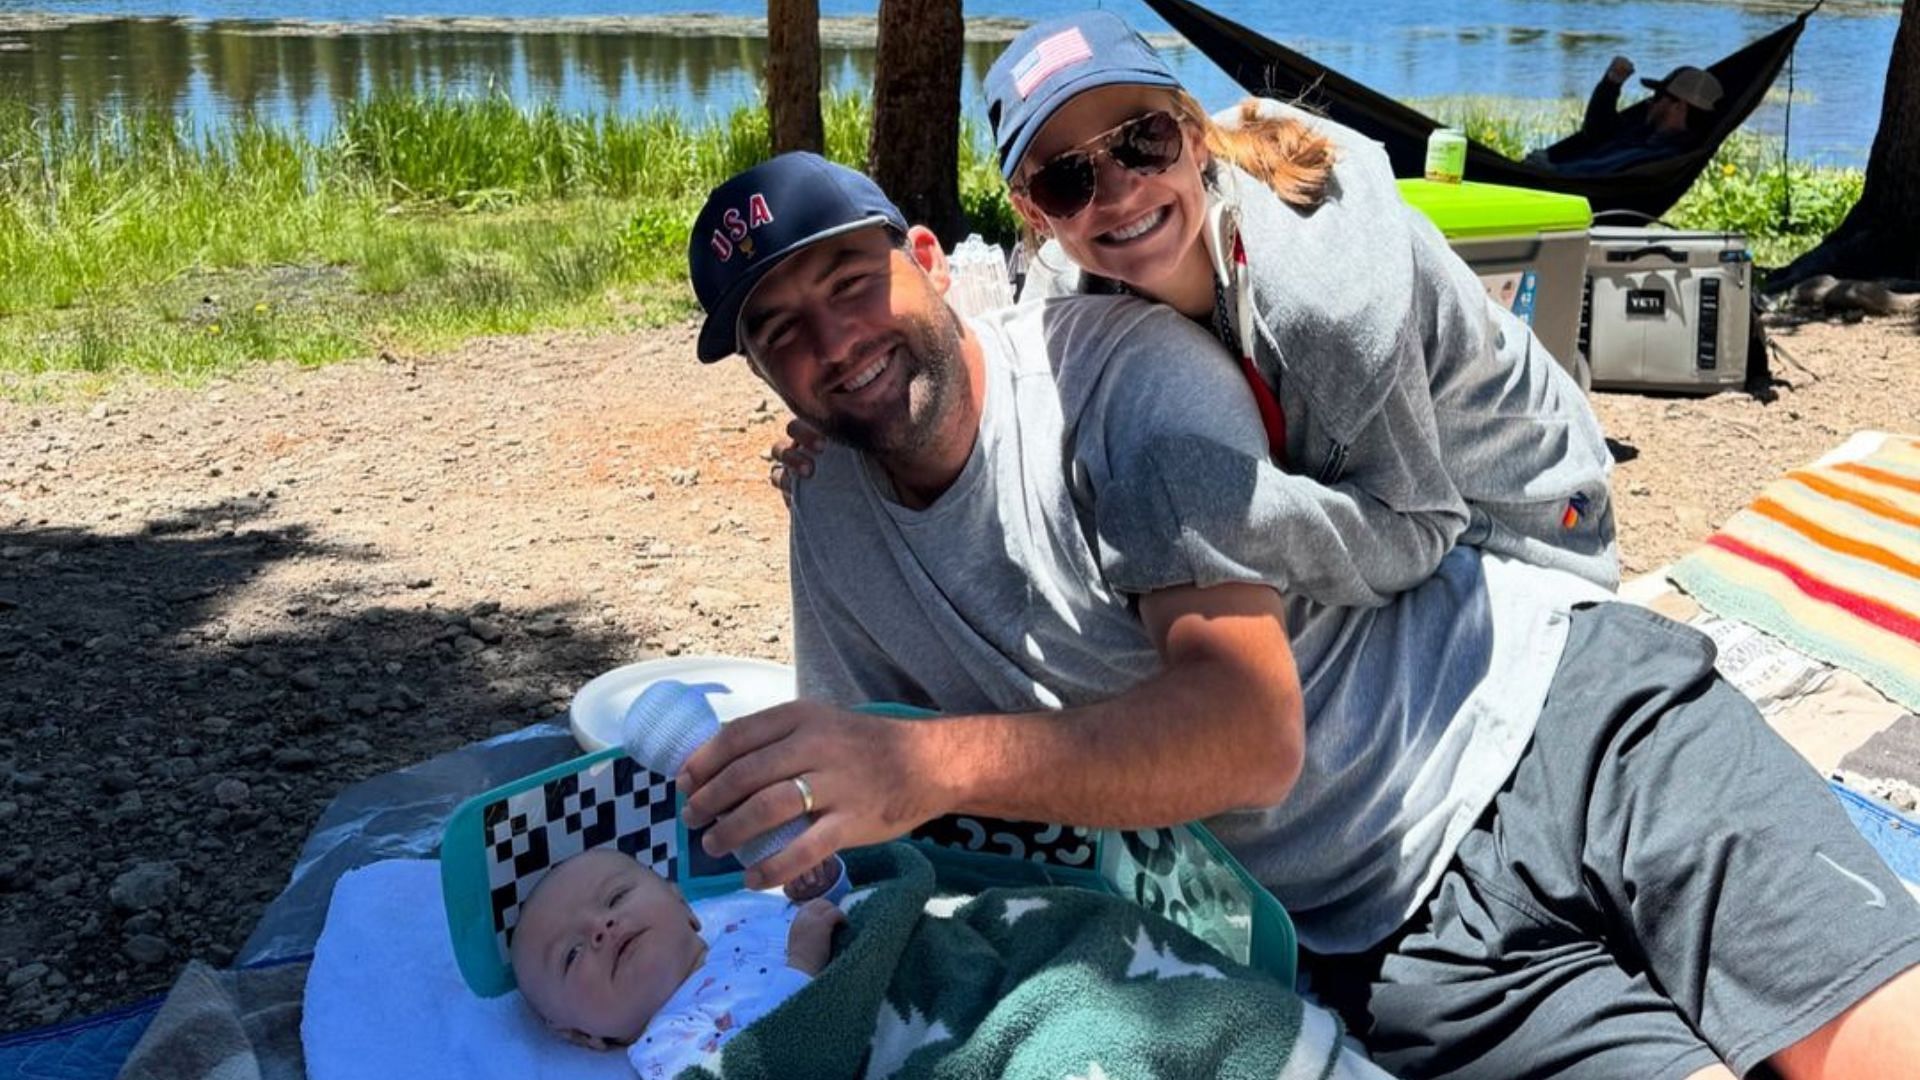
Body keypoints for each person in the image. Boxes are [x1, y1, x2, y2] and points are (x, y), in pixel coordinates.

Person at [677, 151, 1920, 1079]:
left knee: (1868, 1046)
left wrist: (923, 766)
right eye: (781, 331)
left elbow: (1245, 733)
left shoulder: (1119, 382)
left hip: (1556, 726)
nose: (834, 345)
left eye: (852, 283)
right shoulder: (834, 510)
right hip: (1388, 944)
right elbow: (881, 798)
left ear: (931, 263)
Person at [774, 10, 1619, 601]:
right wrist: (866, 398)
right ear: (1034, 215)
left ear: (1192, 131)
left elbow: (1420, 526)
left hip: (1525, 521)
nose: (1119, 193)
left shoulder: (1325, 306)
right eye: (1068, 179)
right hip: (1417, 510)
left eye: (1142, 140)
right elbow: (1005, 380)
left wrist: (1222, 507)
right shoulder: (1072, 281)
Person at [507, 847, 847, 1072]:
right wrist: (801, 966)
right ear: (582, 1035)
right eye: (572, 954)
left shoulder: (748, 926)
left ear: (683, 905)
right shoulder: (665, 1047)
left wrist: (825, 887)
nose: (601, 927)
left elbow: (848, 918)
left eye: (617, 897)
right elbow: (755, 1064)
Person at [1542, 57, 1724, 175]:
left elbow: (1598, 172)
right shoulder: (1646, 133)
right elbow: (1598, 132)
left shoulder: (1663, 155)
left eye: (1658, 97)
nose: (1649, 103)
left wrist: (1548, 171)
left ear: (1679, 107)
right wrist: (1610, 85)